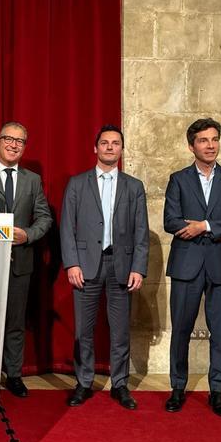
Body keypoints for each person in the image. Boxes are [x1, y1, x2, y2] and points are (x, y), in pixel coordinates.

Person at [163, 118, 221, 417]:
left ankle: (217, 392)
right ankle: (177, 388)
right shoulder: (178, 179)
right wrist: (220, 231)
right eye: (203, 140)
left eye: (214, 139)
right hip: (187, 264)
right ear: (192, 146)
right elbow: (171, 221)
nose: (210, 145)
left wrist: (204, 226)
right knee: (181, 330)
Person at [60, 125, 149, 409]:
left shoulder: (134, 187)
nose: (110, 147)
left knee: (120, 330)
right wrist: (72, 263)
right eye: (105, 143)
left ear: (122, 150)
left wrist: (138, 267)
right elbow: (66, 228)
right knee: (83, 330)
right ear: (95, 148)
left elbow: (141, 231)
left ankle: (120, 384)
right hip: (85, 266)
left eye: (116, 143)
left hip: (121, 265)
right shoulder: (77, 183)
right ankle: (84, 382)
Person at [0, 122, 52, 397]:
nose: (13, 145)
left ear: (25, 147)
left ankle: (14, 375)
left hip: (20, 262)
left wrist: (29, 235)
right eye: (8, 139)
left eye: (19, 141)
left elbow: (45, 217)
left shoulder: (32, 180)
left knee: (15, 322)